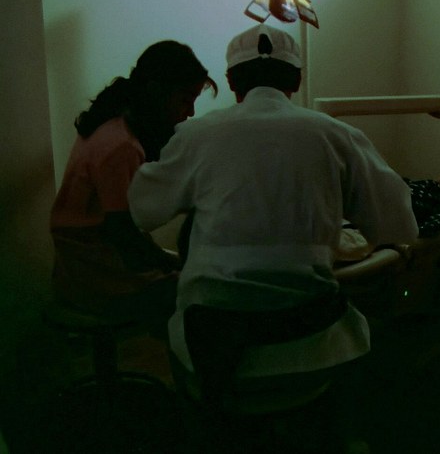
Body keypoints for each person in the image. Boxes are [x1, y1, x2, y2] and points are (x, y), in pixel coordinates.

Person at [127, 24, 418, 447]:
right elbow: (400, 224)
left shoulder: (196, 135)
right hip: (311, 346)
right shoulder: (337, 136)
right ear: (296, 80)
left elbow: (141, 210)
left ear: (231, 82)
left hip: (211, 347)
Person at [50, 40, 216, 322]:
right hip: (97, 275)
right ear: (155, 90)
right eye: (185, 100)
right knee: (206, 293)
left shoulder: (110, 124)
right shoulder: (122, 146)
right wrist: (175, 264)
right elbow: (123, 234)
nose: (190, 112)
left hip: (76, 267)